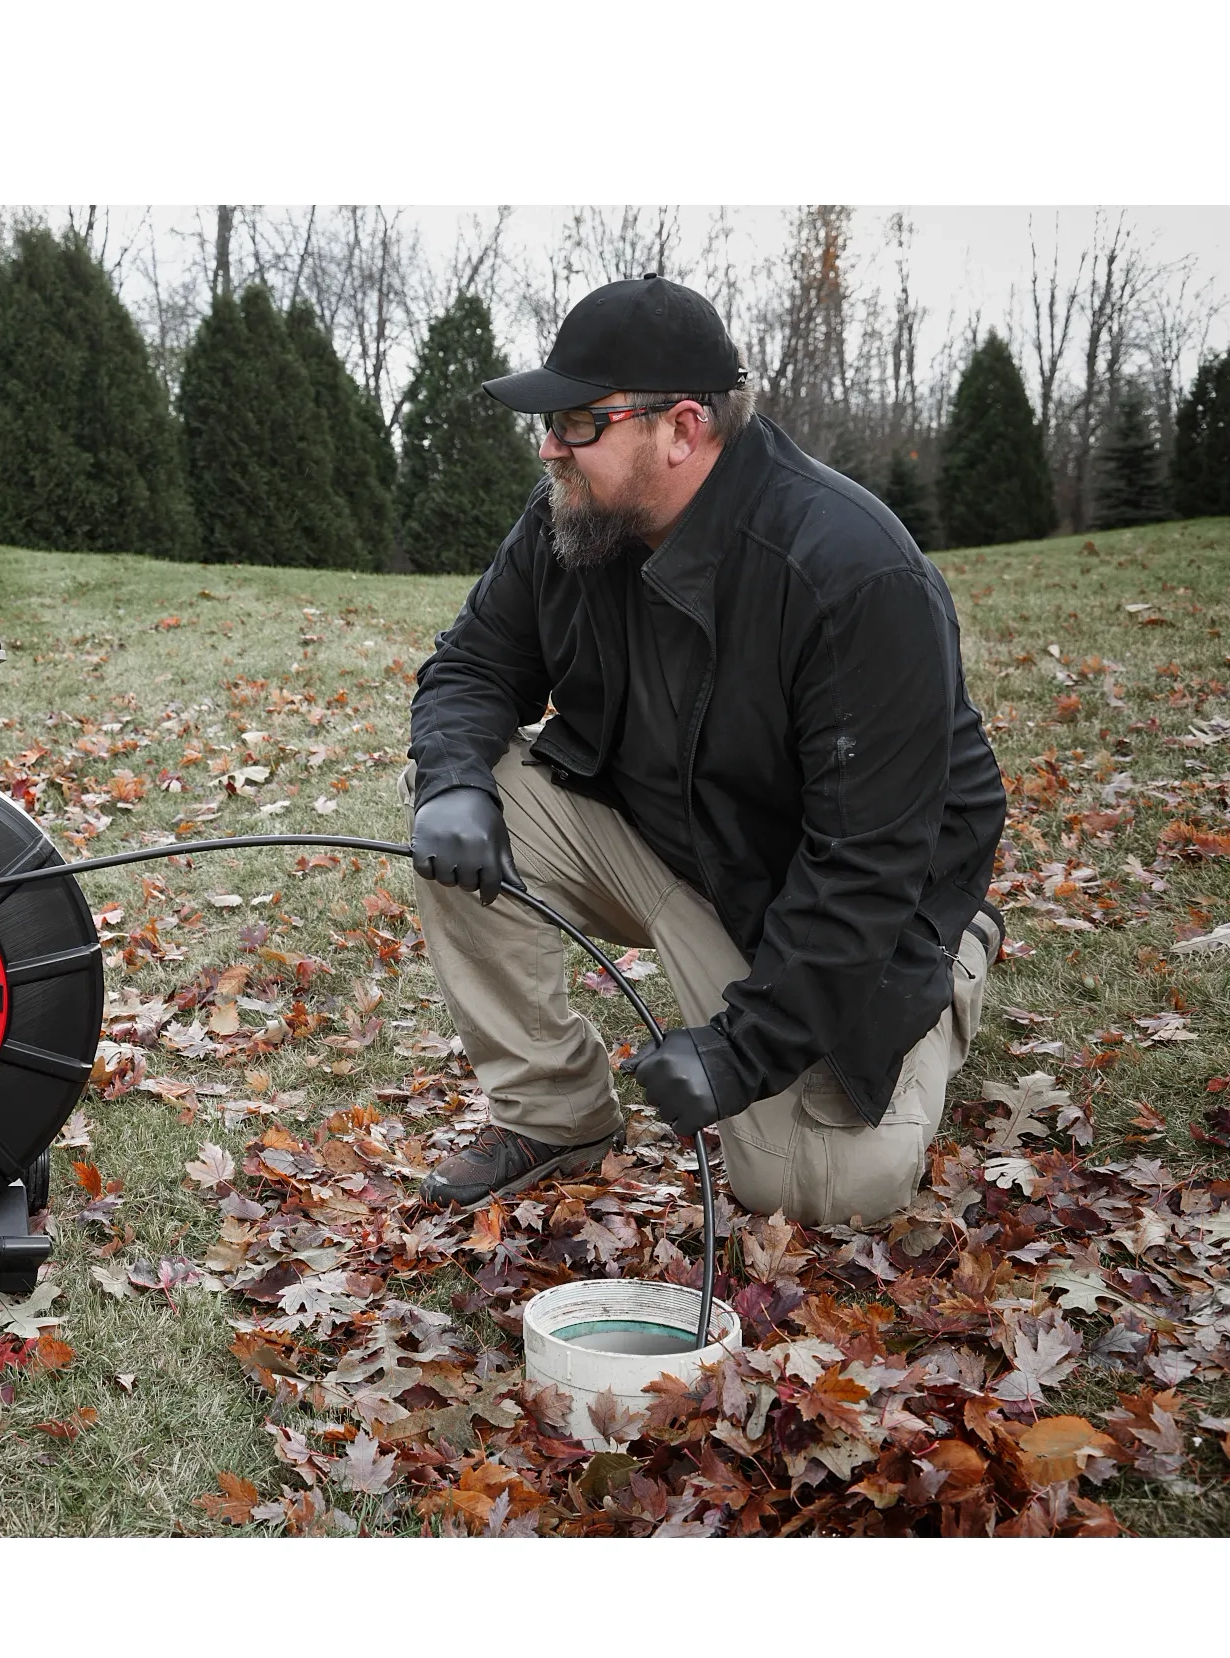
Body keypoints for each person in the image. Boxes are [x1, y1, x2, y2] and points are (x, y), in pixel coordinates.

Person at [405, 274, 1006, 1227]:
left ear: (682, 428)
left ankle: (954, 969)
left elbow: (865, 869)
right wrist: (450, 783)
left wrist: (738, 1051)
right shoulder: (576, 516)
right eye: (550, 421)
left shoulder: (851, 574)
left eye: (578, 422)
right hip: (669, 845)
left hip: (838, 902)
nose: (550, 445)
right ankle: (554, 1114)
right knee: (467, 791)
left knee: (817, 1191)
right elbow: (474, 662)